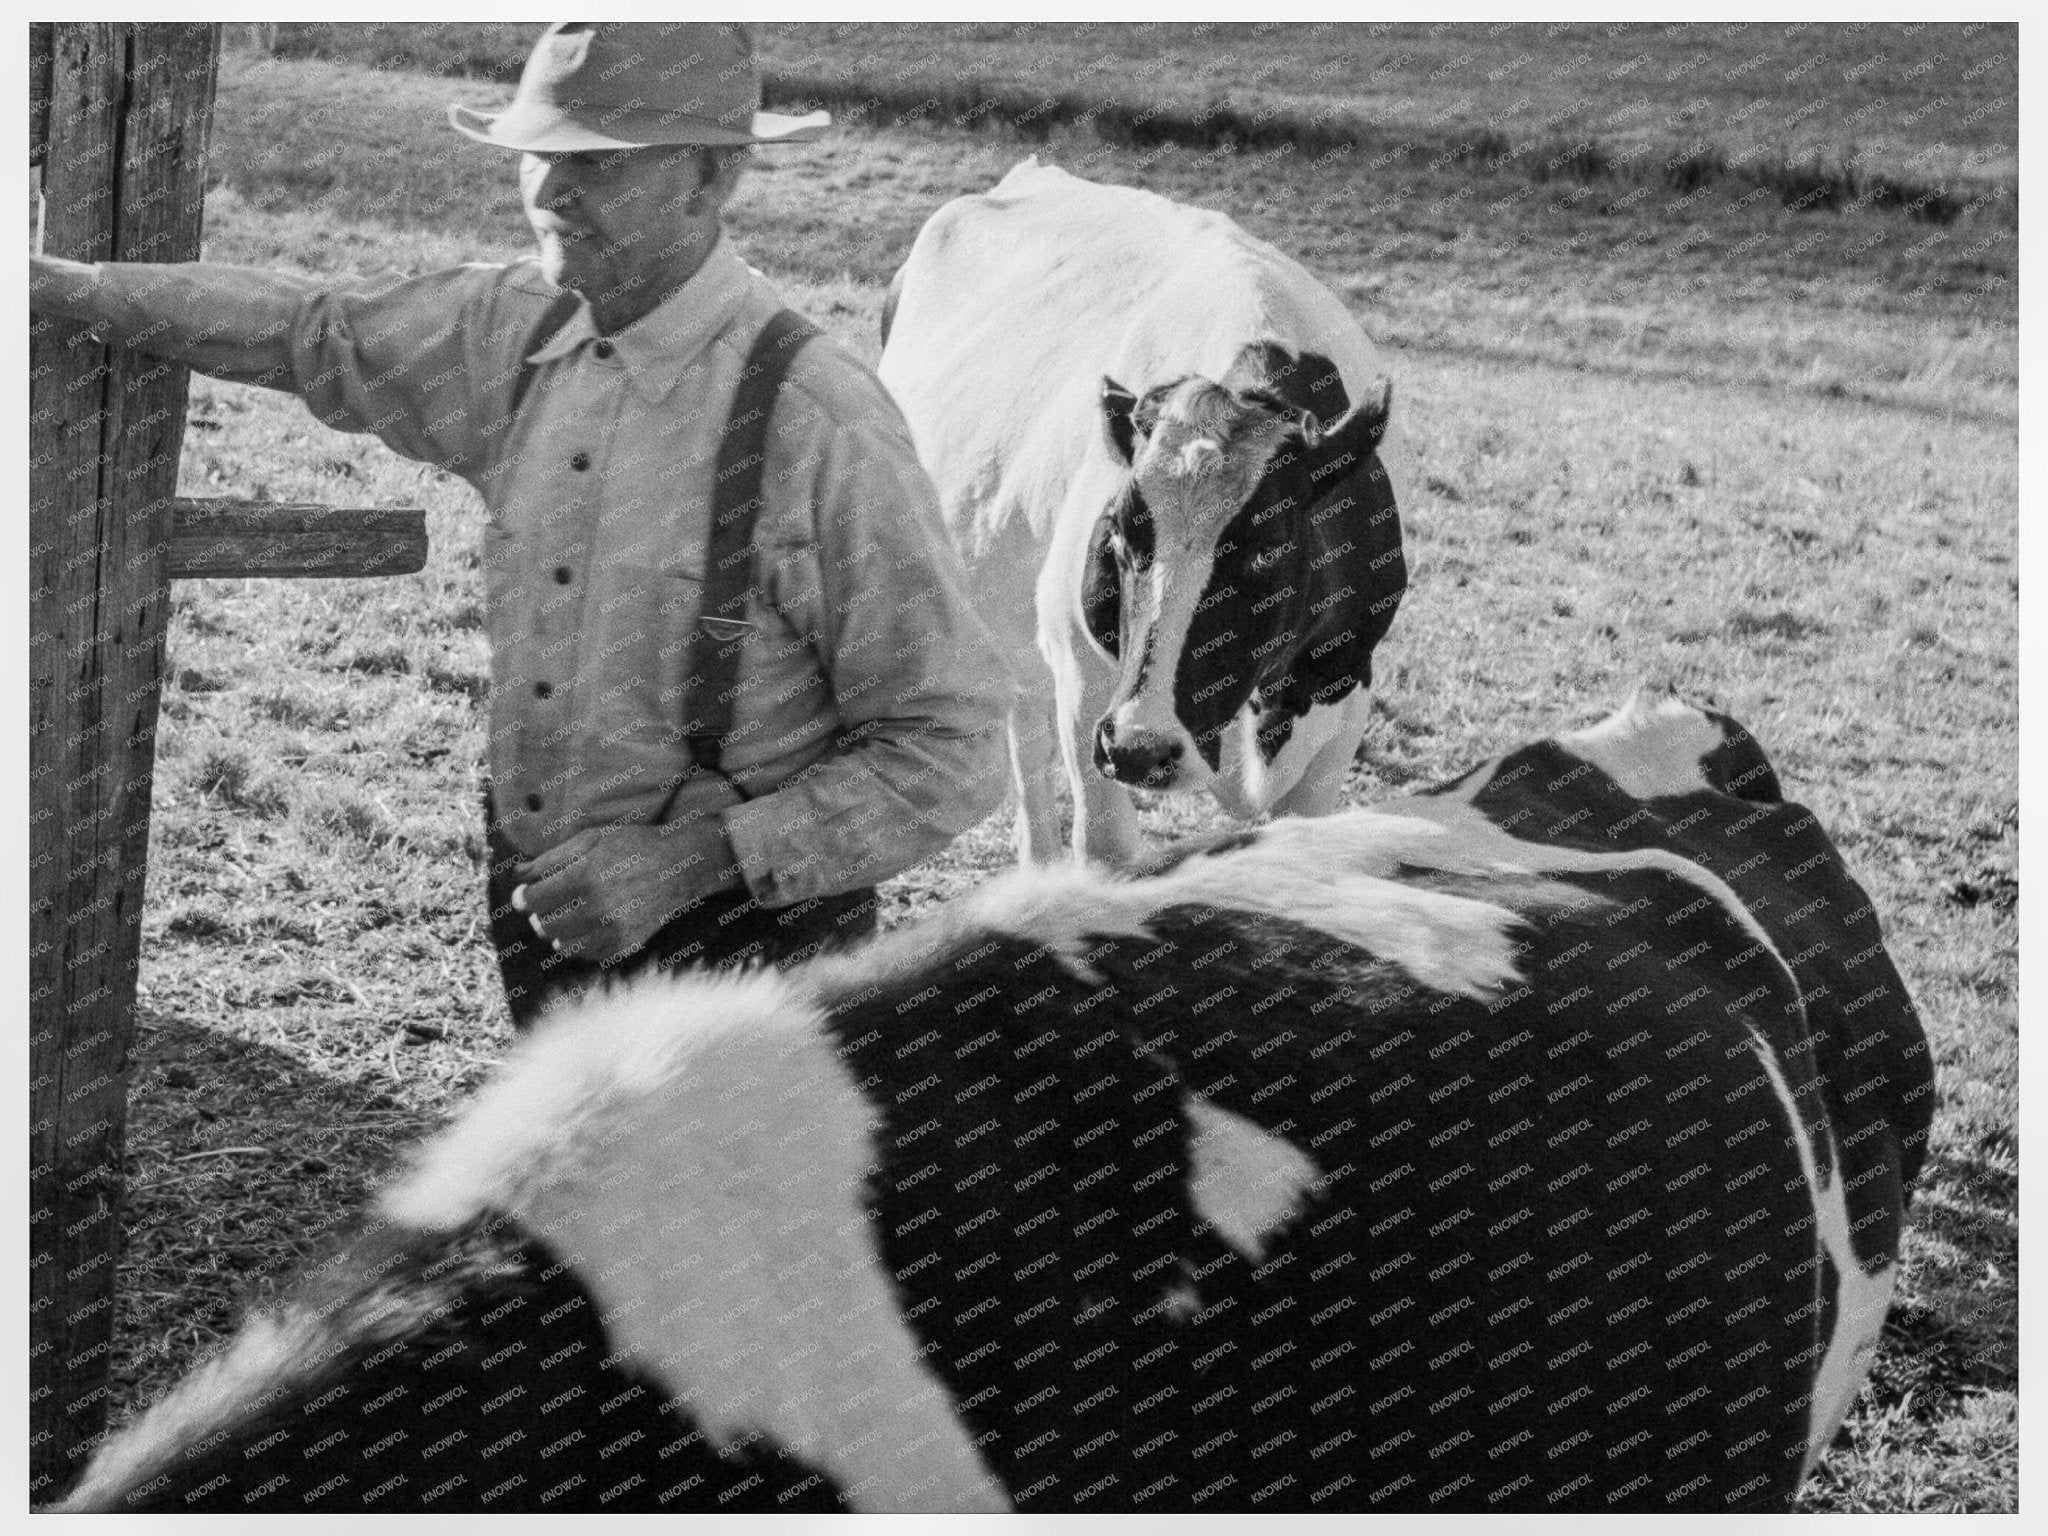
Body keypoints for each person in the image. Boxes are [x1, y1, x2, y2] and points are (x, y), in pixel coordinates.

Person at [31, 22, 1013, 1029]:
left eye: (594, 162)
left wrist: (691, 861)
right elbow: (304, 329)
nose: (549, 190)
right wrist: (64, 291)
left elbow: (951, 747)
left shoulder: (816, 421)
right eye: (535, 155)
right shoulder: (513, 329)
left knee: (707, 1191)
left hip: (743, 947)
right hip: (541, 903)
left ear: (711, 179)